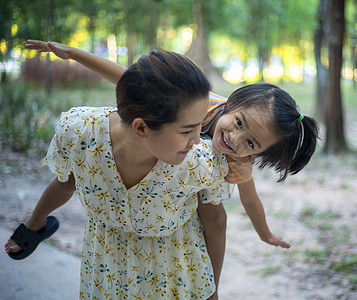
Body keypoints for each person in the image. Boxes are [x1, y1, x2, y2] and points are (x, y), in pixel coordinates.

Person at [21, 40, 320, 295]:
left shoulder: (233, 160)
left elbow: (244, 202)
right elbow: (128, 80)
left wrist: (264, 233)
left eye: (252, 143)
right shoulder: (200, 104)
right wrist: (73, 54)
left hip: (175, 230)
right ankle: (35, 223)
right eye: (239, 123)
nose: (235, 138)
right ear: (232, 104)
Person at [5, 48, 232, 299]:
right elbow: (66, 182)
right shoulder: (80, 133)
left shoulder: (198, 162)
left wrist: (212, 290)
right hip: (105, 266)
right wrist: (36, 220)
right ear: (141, 127)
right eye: (187, 130)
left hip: (174, 273)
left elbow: (215, 221)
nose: (197, 139)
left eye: (201, 125)